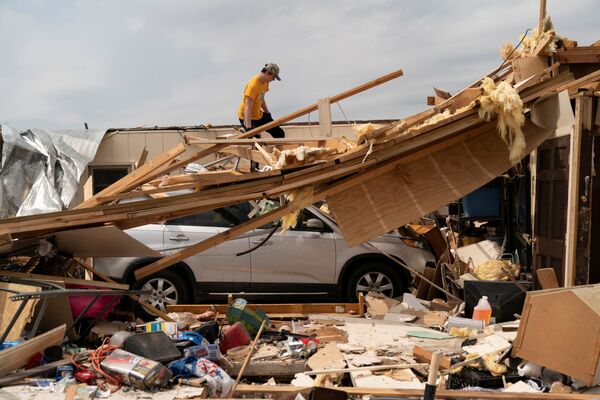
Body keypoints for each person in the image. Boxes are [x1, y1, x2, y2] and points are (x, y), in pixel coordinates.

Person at [237, 63, 285, 139]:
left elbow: (261, 99)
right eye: (273, 77)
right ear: (267, 73)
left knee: (279, 133)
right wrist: (249, 128)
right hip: (247, 117)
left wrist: (267, 113)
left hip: (258, 115)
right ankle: (247, 129)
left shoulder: (265, 83)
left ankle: (278, 151)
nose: (274, 79)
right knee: (256, 140)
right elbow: (247, 108)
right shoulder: (253, 86)